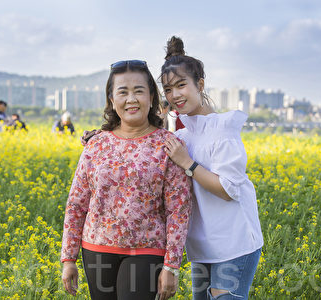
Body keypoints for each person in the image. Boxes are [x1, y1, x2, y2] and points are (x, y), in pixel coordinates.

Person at [61, 60, 192, 300]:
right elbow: (77, 203)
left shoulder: (169, 145)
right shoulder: (96, 145)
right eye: (123, 92)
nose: (131, 99)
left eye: (139, 91)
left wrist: (171, 265)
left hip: (147, 250)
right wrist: (68, 258)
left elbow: (179, 210)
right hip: (96, 248)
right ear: (112, 100)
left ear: (151, 97)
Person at [160, 36, 263, 300]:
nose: (175, 95)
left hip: (233, 242)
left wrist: (189, 164)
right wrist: (102, 137)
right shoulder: (183, 137)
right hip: (203, 244)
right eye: (168, 90)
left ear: (200, 84)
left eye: (181, 85)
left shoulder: (223, 130)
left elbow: (229, 190)